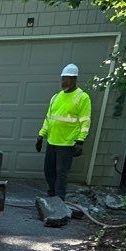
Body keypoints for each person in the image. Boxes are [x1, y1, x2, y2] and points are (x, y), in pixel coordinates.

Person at [35, 64, 91, 201]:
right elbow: (49, 118)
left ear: (75, 79)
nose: (65, 82)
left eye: (68, 79)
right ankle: (51, 193)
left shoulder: (82, 97)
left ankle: (59, 198)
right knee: (49, 171)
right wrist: (41, 135)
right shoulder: (56, 97)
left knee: (61, 172)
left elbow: (85, 121)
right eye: (63, 78)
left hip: (67, 143)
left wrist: (80, 141)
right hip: (52, 140)